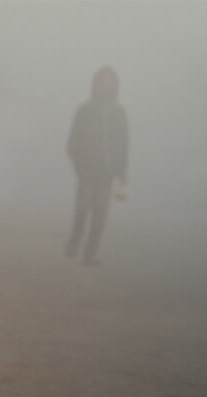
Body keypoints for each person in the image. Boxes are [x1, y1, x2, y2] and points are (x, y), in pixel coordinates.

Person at [65, 65, 128, 265]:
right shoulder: (84, 111)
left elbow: (124, 144)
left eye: (110, 81)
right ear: (95, 83)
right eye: (102, 80)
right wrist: (79, 165)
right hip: (87, 171)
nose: (106, 84)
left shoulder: (119, 114)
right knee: (82, 210)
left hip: (107, 173)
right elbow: (72, 143)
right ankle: (74, 242)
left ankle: (90, 253)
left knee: (100, 216)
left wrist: (122, 171)